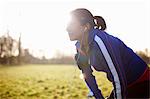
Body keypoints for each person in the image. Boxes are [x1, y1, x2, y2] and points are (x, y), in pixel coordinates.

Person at [66, 8, 149, 99]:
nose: (67, 28)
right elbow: (87, 76)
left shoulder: (100, 40)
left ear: (86, 26)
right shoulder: (80, 47)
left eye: (72, 24)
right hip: (125, 84)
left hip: (142, 82)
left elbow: (117, 77)